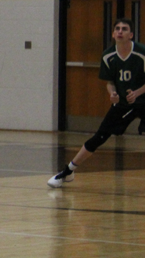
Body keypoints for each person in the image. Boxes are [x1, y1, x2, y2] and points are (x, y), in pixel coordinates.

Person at [48, 18, 145, 188]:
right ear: (113, 34)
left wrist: (138, 92)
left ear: (131, 35)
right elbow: (110, 82)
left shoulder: (142, 53)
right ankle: (67, 171)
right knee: (99, 137)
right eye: (117, 28)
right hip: (122, 104)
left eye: (124, 29)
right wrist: (112, 94)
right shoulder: (108, 56)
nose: (120, 31)